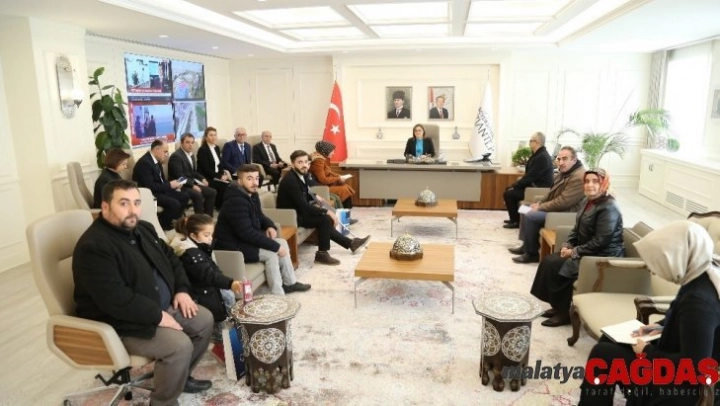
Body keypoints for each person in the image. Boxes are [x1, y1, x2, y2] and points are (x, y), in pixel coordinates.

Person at [73, 179, 213, 405]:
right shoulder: (95, 246)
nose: (133, 210)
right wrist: (158, 316)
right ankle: (162, 402)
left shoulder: (143, 229)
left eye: (136, 203)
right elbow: (115, 299)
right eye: (124, 203)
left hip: (157, 305)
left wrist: (181, 290)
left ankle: (179, 377)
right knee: (178, 346)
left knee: (204, 321)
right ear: (105, 207)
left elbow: (171, 259)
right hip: (121, 322)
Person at [577, 220, 720, 406]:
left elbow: (695, 367)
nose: (652, 270)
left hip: (685, 388)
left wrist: (647, 352)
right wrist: (659, 326)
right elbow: (684, 320)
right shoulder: (702, 275)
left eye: (657, 262)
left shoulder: (698, 302)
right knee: (609, 339)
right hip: (677, 358)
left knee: (603, 354)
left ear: (676, 258)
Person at [530, 168, 624, 327]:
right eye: (587, 181)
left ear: (604, 183)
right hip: (588, 249)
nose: (590, 185)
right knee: (549, 261)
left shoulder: (609, 207)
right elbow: (576, 228)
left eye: (595, 181)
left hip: (602, 255)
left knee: (561, 267)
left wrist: (574, 252)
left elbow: (602, 240)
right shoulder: (589, 201)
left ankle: (563, 314)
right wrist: (568, 245)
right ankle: (557, 306)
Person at [214, 164, 312, 294]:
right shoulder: (235, 201)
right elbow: (246, 233)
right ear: (240, 181)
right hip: (232, 246)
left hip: (243, 241)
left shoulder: (252, 194)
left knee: (282, 242)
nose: (255, 182)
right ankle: (278, 294)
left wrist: (269, 225)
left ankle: (290, 283)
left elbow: (260, 215)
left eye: (256, 178)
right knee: (272, 253)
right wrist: (275, 247)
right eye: (249, 179)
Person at [277, 150, 370, 265]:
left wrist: (315, 196)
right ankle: (323, 254)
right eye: (300, 162)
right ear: (292, 164)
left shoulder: (300, 175)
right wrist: (327, 212)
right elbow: (304, 206)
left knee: (325, 220)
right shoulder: (290, 180)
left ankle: (350, 244)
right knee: (325, 219)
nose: (304, 165)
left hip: (298, 211)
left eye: (306, 162)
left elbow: (303, 192)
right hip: (291, 216)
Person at [170, 214, 241, 340]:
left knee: (227, 298)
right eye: (206, 235)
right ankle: (222, 338)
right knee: (219, 316)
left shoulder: (199, 247)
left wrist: (223, 280)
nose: (210, 239)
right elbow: (207, 274)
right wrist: (229, 283)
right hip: (201, 293)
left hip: (207, 288)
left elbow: (212, 268)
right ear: (193, 236)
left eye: (211, 235)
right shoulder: (191, 254)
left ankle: (228, 329)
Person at [509, 146, 586, 263]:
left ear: (574, 160)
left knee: (530, 214)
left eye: (565, 159)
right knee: (525, 209)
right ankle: (526, 246)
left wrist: (540, 207)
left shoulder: (579, 177)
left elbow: (563, 201)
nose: (561, 162)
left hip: (567, 214)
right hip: (557, 210)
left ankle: (532, 254)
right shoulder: (564, 172)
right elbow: (551, 193)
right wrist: (539, 203)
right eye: (559, 159)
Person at [132, 139, 190, 231]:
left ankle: (174, 219)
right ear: (156, 150)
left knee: (185, 196)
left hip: (160, 190)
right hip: (150, 194)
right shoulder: (144, 163)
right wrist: (170, 185)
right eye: (165, 151)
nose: (166, 154)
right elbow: (150, 186)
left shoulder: (156, 160)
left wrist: (174, 184)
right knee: (174, 203)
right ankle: (163, 225)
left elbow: (161, 180)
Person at [502, 132, 554, 228]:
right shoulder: (538, 154)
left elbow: (531, 177)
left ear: (537, 142)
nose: (529, 143)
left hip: (538, 189)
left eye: (531, 141)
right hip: (533, 186)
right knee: (509, 190)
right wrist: (515, 185)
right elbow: (529, 176)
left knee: (509, 194)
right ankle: (514, 218)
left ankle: (515, 221)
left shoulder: (542, 157)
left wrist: (515, 185)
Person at [168, 133, 217, 216]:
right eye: (187, 142)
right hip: (180, 185)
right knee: (197, 194)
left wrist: (202, 179)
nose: (190, 145)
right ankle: (199, 220)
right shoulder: (176, 156)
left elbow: (193, 172)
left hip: (190, 182)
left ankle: (207, 218)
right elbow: (180, 177)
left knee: (212, 192)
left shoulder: (191, 154)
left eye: (192, 142)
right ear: (181, 143)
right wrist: (193, 186)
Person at [309, 140, 357, 220]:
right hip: (320, 187)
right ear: (326, 151)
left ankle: (346, 216)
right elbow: (323, 179)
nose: (333, 153)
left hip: (322, 185)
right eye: (332, 151)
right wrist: (338, 178)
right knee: (344, 189)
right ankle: (345, 218)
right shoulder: (318, 161)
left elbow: (328, 172)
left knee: (345, 188)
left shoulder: (321, 157)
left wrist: (339, 176)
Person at [196, 126, 232, 210]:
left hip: (216, 176)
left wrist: (223, 174)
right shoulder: (202, 150)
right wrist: (219, 177)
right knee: (225, 186)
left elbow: (219, 164)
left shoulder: (217, 148)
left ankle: (227, 205)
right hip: (207, 178)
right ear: (206, 137)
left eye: (215, 135)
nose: (213, 137)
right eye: (211, 135)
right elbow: (206, 169)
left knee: (232, 184)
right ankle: (220, 207)